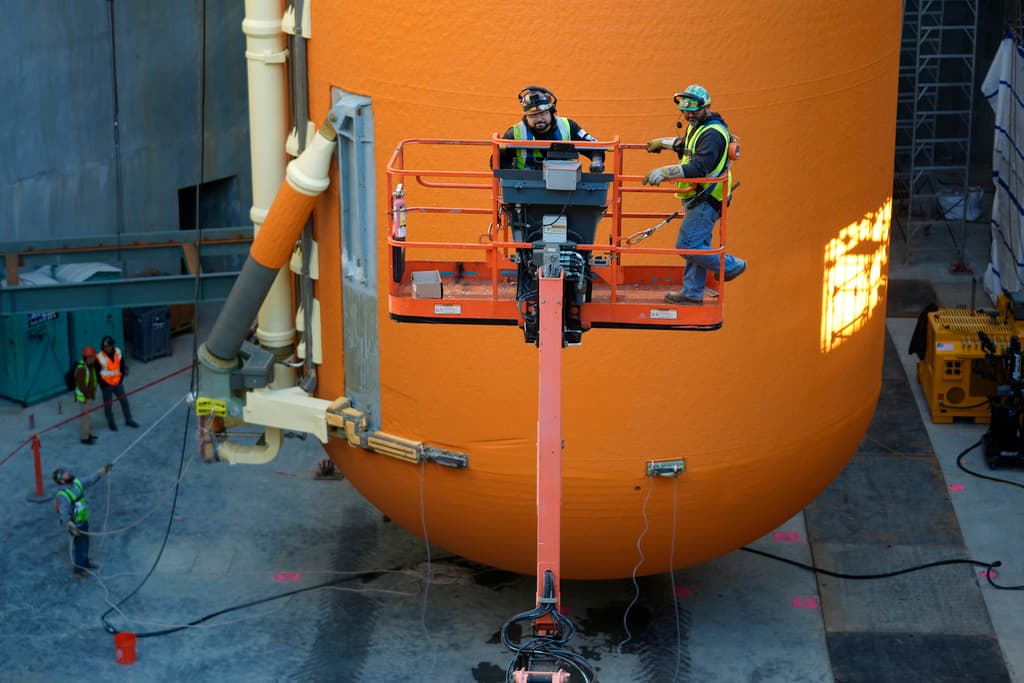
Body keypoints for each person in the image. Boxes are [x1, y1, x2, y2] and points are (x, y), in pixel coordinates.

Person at [642, 83, 748, 305]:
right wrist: (662, 142)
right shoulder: (699, 126)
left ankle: (731, 265)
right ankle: (692, 293)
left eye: (693, 110)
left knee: (688, 246)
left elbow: (699, 167)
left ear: (706, 107)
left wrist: (664, 172)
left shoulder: (713, 134)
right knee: (697, 245)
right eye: (685, 110)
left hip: (707, 198)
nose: (688, 115)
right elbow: (685, 146)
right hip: (699, 196)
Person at [498, 86, 605, 172]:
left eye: (543, 113)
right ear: (526, 116)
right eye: (533, 115)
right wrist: (513, 176)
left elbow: (595, 147)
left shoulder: (568, 126)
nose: (539, 119)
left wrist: (597, 160)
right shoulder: (514, 134)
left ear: (551, 111)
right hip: (526, 189)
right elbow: (497, 160)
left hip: (564, 188)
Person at [53, 464, 113, 577]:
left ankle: (85, 563)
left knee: (85, 543)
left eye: (65, 471)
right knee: (80, 545)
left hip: (83, 519)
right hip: (75, 525)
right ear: (62, 481)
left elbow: (91, 479)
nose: (67, 473)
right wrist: (71, 526)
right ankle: (78, 570)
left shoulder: (77, 482)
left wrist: (102, 471)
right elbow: (64, 514)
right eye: (64, 474)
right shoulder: (63, 495)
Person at [97, 335, 139, 431]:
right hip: (106, 386)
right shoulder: (99, 357)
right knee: (108, 405)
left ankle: (129, 419)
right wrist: (105, 385)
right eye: (104, 346)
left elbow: (122, 367)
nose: (106, 348)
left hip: (117, 383)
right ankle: (111, 422)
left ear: (112, 345)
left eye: (108, 346)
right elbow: (98, 374)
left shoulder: (118, 352)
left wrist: (120, 380)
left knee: (124, 401)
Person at [74, 345, 100, 445]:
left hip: (89, 396)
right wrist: (89, 395)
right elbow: (81, 386)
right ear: (88, 357)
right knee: (85, 418)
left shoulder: (90, 366)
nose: (94, 358)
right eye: (93, 357)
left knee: (88, 417)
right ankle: (84, 438)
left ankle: (88, 434)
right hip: (84, 398)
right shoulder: (82, 369)